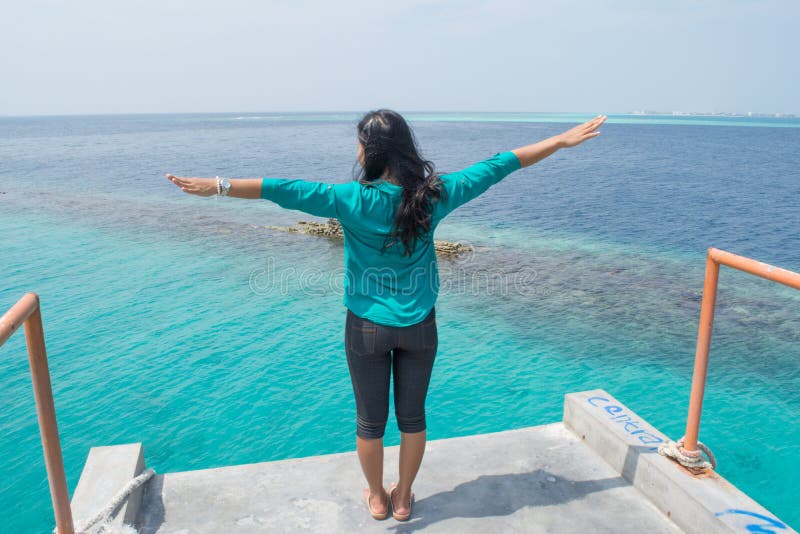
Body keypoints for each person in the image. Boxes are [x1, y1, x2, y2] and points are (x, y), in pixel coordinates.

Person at [165, 109, 605, 521]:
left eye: (359, 143)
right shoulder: (435, 195)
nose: (356, 151)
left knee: (368, 422)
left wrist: (217, 185)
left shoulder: (348, 198)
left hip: (366, 327)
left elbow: (279, 189)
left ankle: (376, 496)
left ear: (370, 151)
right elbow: (501, 164)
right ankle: (403, 497)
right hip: (419, 325)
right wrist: (561, 141)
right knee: (413, 419)